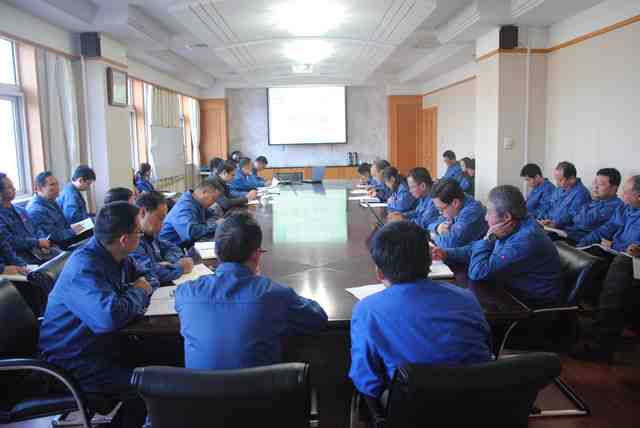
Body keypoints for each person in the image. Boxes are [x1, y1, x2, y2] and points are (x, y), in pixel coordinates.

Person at [38, 202, 157, 428]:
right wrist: (139, 292)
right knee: (151, 387)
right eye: (139, 233)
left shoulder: (116, 254)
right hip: (74, 361)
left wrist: (135, 292)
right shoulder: (84, 266)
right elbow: (109, 318)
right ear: (125, 239)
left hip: (105, 347)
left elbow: (148, 276)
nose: (141, 237)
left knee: (170, 353)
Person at [349, 220, 492, 401]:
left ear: (380, 273)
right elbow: (486, 349)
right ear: (429, 261)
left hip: (409, 410)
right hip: (477, 403)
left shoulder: (368, 310)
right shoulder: (467, 299)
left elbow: (367, 381)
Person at [175, 212, 328, 369]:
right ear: (256, 254)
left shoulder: (185, 293)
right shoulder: (272, 294)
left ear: (216, 252)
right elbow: (318, 318)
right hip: (261, 385)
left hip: (199, 385)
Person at [434, 185, 562, 307]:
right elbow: (475, 248)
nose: (485, 218)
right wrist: (446, 253)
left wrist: (487, 239)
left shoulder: (526, 239)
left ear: (506, 216)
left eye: (489, 213)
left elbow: (478, 272)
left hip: (530, 303)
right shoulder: (511, 225)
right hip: (509, 289)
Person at [572, 175, 640, 362]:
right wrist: (581, 246)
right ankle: (567, 319)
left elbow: (633, 249)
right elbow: (605, 230)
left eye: (626, 192)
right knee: (585, 258)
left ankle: (601, 345)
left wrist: (621, 247)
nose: (622, 194)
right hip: (618, 253)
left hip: (632, 261)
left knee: (620, 266)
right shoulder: (625, 208)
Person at [131, 191, 194, 285]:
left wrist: (171, 262)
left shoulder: (149, 233)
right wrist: (180, 267)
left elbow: (171, 247)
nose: (163, 223)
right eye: (160, 218)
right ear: (143, 212)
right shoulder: (132, 240)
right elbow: (149, 274)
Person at [0, 173, 55, 264]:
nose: (14, 189)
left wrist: (43, 240)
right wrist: (37, 242)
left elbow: (35, 228)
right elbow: (10, 241)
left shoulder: (20, 210)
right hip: (23, 258)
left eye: (13, 186)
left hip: (40, 251)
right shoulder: (2, 216)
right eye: (9, 187)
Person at [159, 178, 224, 248]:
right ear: (204, 192)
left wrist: (216, 223)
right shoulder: (185, 207)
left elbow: (212, 216)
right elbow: (191, 234)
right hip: (171, 249)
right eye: (213, 198)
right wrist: (215, 224)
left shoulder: (197, 202)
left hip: (185, 245)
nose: (214, 203)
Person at [564, 168, 624, 242]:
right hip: (570, 235)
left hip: (583, 242)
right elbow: (574, 217)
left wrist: (579, 216)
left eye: (600, 184)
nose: (595, 187)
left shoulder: (616, 206)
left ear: (613, 188)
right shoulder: (596, 200)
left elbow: (585, 222)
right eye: (595, 182)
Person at [27, 171, 82, 246]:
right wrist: (77, 230)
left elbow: (64, 225)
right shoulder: (36, 210)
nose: (57, 188)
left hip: (67, 237)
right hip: (59, 245)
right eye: (52, 185)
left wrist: (80, 227)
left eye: (57, 184)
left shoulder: (51, 201)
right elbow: (52, 237)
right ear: (38, 188)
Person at [429, 179, 488, 249]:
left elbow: (449, 244)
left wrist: (434, 237)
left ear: (455, 203)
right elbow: (430, 225)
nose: (440, 213)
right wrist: (437, 227)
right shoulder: (454, 203)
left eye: (441, 209)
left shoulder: (471, 212)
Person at [538, 161, 591, 230]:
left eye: (560, 180)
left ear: (571, 179)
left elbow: (572, 216)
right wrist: (541, 218)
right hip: (548, 225)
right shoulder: (559, 189)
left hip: (564, 230)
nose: (557, 184)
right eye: (556, 180)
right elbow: (548, 204)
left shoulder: (581, 194)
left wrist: (555, 223)